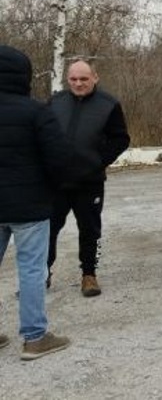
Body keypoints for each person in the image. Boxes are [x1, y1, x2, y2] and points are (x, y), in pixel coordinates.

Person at [0, 45, 72, 360]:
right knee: (31, 270)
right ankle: (34, 337)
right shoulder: (37, 112)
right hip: (30, 207)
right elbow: (58, 160)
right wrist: (54, 192)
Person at [47, 58, 131, 297]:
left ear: (95, 77)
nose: (78, 83)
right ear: (67, 79)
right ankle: (42, 274)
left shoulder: (109, 104)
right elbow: (44, 135)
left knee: (90, 230)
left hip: (89, 182)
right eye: (73, 79)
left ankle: (89, 275)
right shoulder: (55, 102)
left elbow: (121, 139)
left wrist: (97, 161)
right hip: (57, 183)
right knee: (48, 229)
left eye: (84, 79)